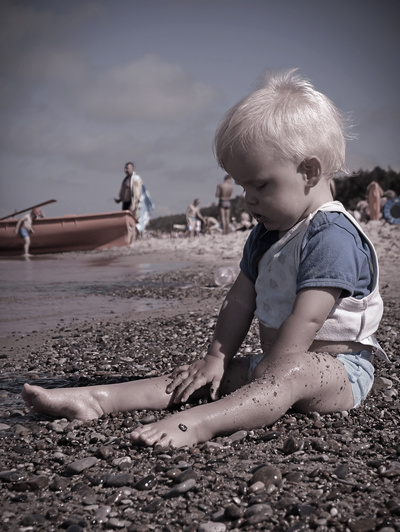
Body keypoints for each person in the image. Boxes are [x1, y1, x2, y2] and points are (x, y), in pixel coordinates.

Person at [22, 70, 386, 450]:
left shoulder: (331, 235)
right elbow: (240, 299)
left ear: (309, 171)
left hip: (340, 371)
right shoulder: (265, 234)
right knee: (196, 377)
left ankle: (200, 423)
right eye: (243, 186)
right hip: (277, 361)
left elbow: (308, 317)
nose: (249, 199)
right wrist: (215, 357)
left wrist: (271, 368)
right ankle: (99, 398)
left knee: (289, 372)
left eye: (261, 185)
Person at [114, 162, 143, 236]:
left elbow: (137, 193)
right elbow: (124, 191)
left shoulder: (136, 178)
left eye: (127, 168)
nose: (125, 170)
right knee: (125, 221)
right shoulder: (125, 179)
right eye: (125, 168)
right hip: (125, 203)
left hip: (132, 203)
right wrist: (120, 199)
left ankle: (137, 236)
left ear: (132, 169)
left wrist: (133, 204)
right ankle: (126, 235)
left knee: (133, 220)